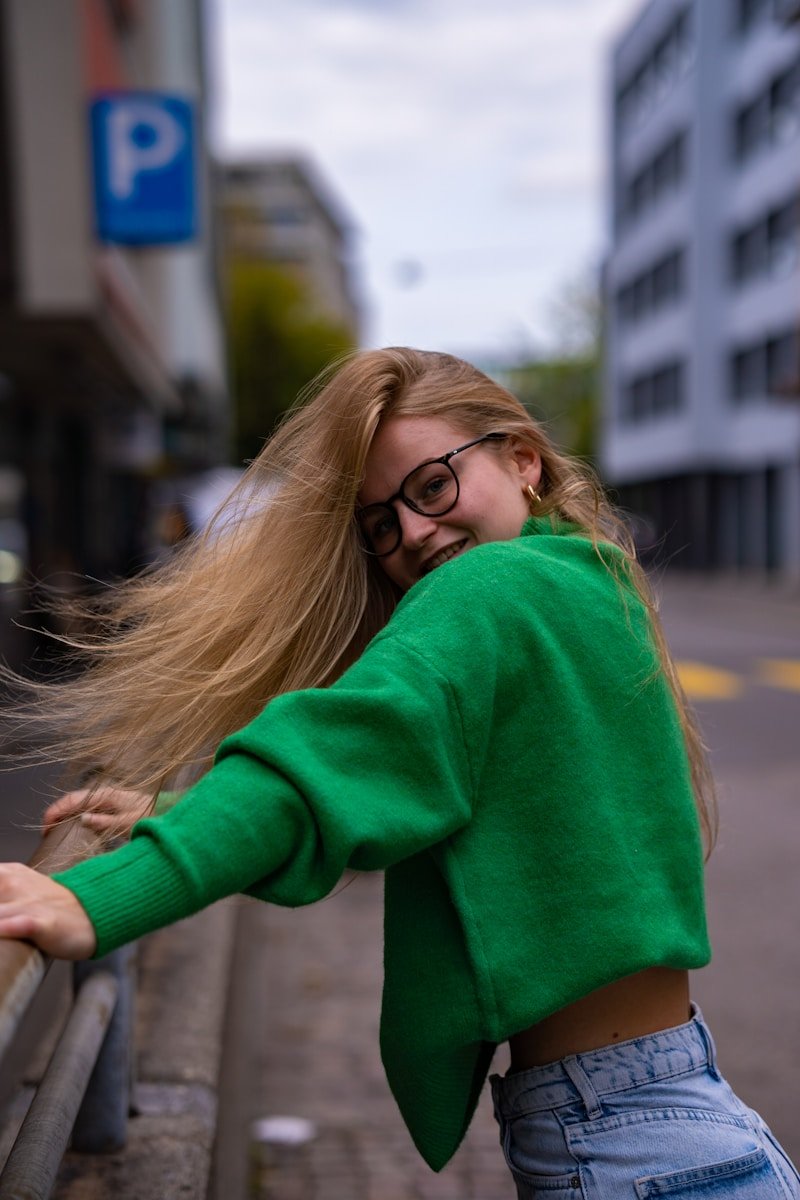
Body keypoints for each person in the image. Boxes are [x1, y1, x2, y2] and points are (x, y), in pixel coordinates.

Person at [0, 347, 796, 1195]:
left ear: (522, 458)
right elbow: (383, 778)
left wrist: (95, 898)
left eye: (432, 487)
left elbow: (323, 761)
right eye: (382, 523)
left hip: (629, 1147)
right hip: (683, 1116)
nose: (413, 533)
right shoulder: (589, 581)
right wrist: (177, 814)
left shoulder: (490, 591)